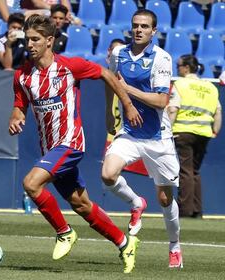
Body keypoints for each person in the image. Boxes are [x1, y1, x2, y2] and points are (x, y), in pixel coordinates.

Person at [8, 14, 143, 274]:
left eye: (35, 39)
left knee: (31, 184)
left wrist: (126, 104)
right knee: (81, 205)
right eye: (27, 40)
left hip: (70, 142)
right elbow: (19, 105)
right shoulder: (22, 76)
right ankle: (124, 243)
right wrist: (16, 117)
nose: (30, 44)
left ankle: (64, 232)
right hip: (50, 149)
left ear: (49, 41)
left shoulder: (69, 67)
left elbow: (105, 73)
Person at [101, 9, 183, 268]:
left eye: (144, 27)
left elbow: (161, 101)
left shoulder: (161, 58)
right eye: (135, 25)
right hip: (130, 133)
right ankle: (136, 203)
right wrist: (109, 109)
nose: (138, 30)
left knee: (165, 199)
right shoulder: (118, 53)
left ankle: (174, 246)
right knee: (107, 174)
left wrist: (128, 91)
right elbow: (109, 80)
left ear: (153, 31)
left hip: (158, 137)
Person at [167, 54, 222, 219]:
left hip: (183, 131)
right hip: (204, 133)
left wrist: (167, 130)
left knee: (185, 171)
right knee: (195, 171)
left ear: (186, 68)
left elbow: (173, 109)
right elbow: (218, 112)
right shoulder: (210, 87)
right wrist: (214, 131)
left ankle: (185, 210)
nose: (177, 69)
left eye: (178, 66)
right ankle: (197, 210)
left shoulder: (180, 84)